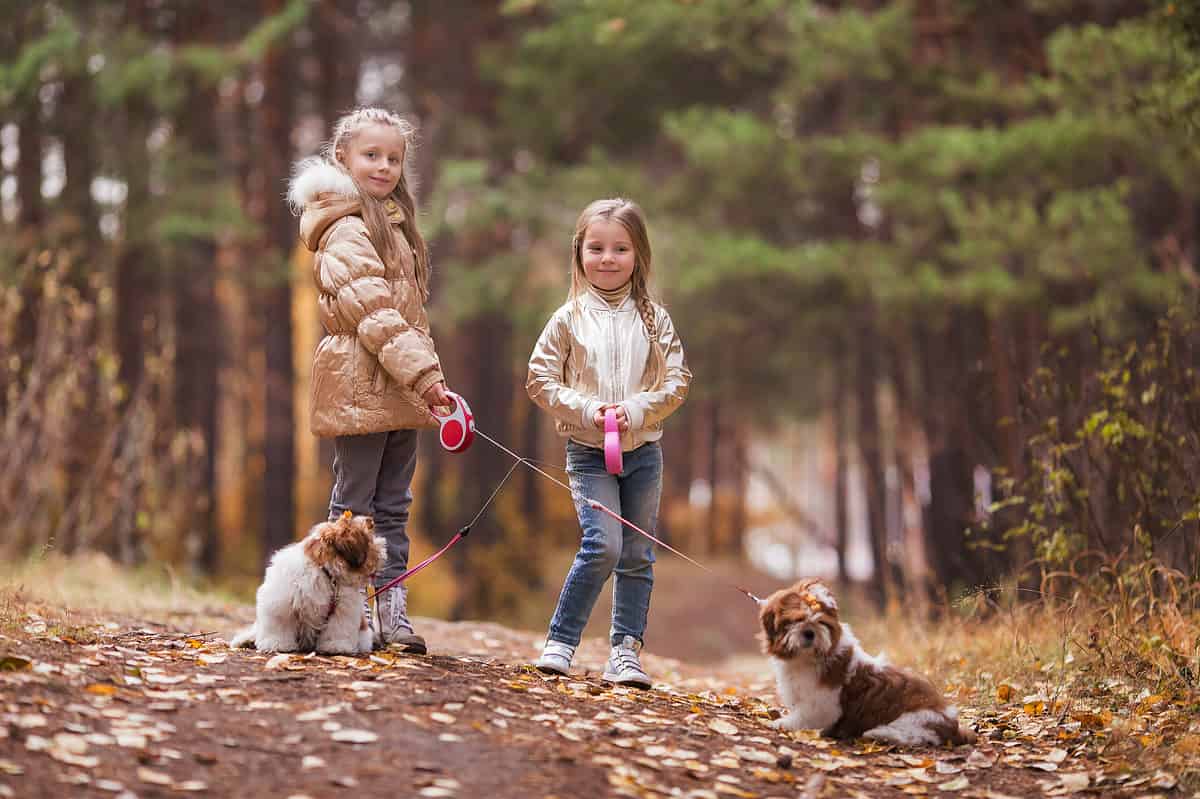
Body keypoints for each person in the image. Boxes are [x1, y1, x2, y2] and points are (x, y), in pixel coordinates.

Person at [287, 107, 450, 655]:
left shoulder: (395, 223)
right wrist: (425, 377)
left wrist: (429, 380)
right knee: (353, 508)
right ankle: (333, 614)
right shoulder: (343, 228)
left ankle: (391, 614)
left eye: (393, 158)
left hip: (400, 382)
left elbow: (407, 318)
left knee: (395, 506)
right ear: (343, 158)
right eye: (371, 155)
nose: (384, 166)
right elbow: (375, 313)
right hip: (360, 382)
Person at [526, 198, 692, 688]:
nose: (607, 258)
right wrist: (587, 409)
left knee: (638, 553)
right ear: (579, 253)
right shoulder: (567, 319)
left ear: (638, 255)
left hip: (643, 452)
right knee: (603, 545)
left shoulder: (655, 319)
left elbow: (678, 380)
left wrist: (636, 410)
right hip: (588, 451)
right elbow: (539, 380)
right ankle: (560, 641)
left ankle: (625, 652)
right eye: (596, 248)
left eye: (620, 248)